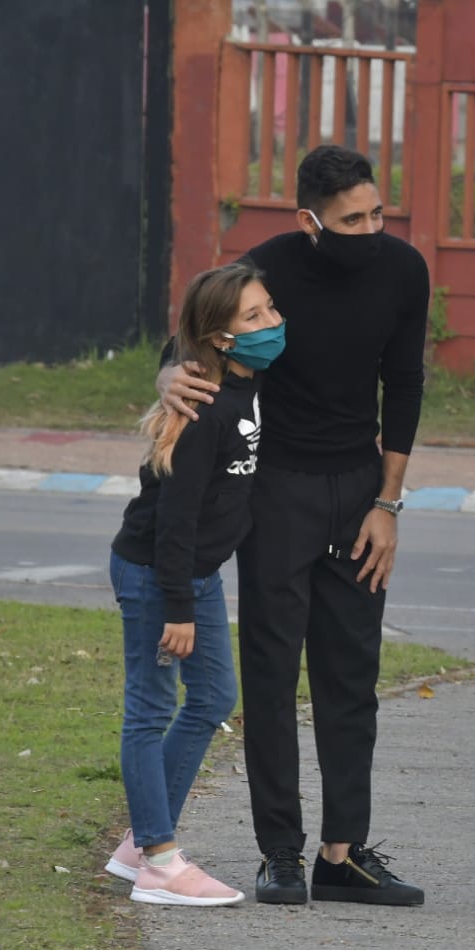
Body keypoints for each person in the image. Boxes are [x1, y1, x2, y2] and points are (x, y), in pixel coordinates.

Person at [158, 145, 429, 906]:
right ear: (310, 221)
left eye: (378, 213)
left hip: (359, 492)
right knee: (273, 677)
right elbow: (188, 342)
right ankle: (279, 852)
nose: (370, 229)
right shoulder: (265, 269)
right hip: (273, 492)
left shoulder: (403, 272)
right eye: (351, 220)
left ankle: (342, 856)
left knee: (352, 676)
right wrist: (165, 376)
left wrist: (389, 502)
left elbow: (403, 381)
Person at [105, 262, 284, 905]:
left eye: (271, 309)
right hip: (158, 574)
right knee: (150, 709)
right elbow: (174, 524)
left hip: (191, 576)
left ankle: (141, 842)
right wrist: (177, 607)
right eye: (255, 317)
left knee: (210, 698)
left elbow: (179, 339)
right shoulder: (203, 407)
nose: (273, 324)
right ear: (222, 337)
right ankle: (158, 862)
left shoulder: (246, 380)